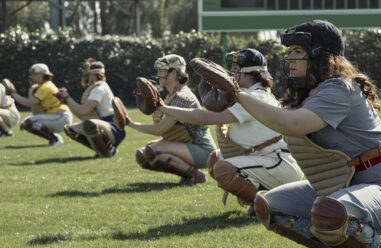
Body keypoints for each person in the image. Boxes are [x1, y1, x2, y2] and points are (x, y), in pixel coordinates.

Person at [228, 21, 381, 248]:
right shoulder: (308, 93)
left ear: (320, 55)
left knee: (329, 211)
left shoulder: (340, 87)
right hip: (343, 185)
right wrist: (227, 97)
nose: (290, 58)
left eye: (297, 51)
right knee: (268, 206)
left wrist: (236, 95)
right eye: (291, 51)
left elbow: (291, 125)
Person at [158, 48, 303, 213]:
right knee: (215, 159)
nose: (230, 73)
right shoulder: (247, 94)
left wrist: (162, 108)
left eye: (235, 69)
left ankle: (270, 208)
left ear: (251, 74)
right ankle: (260, 196)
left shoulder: (254, 97)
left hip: (278, 163)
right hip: (263, 158)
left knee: (224, 169)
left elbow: (204, 118)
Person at [127, 54, 216, 186]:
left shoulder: (181, 97)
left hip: (202, 149)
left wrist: (130, 123)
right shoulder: (172, 95)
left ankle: (195, 175)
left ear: (174, 73)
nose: (158, 75)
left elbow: (159, 130)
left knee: (151, 151)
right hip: (191, 145)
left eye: (161, 71)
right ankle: (186, 174)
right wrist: (158, 121)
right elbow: (170, 131)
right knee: (143, 156)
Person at [54, 59, 126, 158]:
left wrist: (67, 98)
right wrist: (67, 101)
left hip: (113, 127)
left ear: (93, 74)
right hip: (107, 125)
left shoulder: (99, 88)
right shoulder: (98, 87)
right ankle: (102, 150)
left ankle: (108, 150)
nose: (87, 77)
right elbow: (81, 115)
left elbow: (83, 110)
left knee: (89, 125)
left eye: (88, 74)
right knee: (70, 129)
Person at [11, 63, 72, 146]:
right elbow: (35, 109)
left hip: (61, 116)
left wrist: (13, 94)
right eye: (31, 74)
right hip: (57, 116)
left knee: (28, 122)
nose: (31, 76)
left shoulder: (46, 86)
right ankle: (54, 137)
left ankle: (55, 139)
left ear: (42, 75)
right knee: (27, 123)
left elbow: (28, 103)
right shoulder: (42, 86)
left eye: (34, 74)